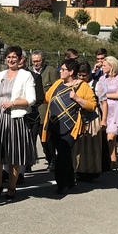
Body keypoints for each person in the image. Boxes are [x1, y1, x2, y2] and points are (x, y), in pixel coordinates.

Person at [0, 46, 38, 199]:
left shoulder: (26, 76)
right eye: (9, 57)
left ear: (20, 59)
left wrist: (13, 103)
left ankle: (12, 187)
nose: (11, 60)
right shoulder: (0, 74)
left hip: (15, 118)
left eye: (14, 57)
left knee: (15, 154)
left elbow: (31, 99)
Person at [43, 59, 97, 194]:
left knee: (62, 153)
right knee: (63, 154)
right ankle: (70, 179)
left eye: (63, 69)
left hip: (71, 127)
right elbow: (47, 97)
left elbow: (92, 105)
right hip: (55, 125)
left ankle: (61, 184)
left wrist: (77, 98)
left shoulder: (82, 86)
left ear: (71, 72)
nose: (60, 71)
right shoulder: (57, 84)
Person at [73, 61, 104, 180]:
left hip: (92, 116)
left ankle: (92, 171)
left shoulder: (97, 85)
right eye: (79, 75)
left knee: (92, 144)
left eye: (84, 76)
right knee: (79, 144)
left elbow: (103, 103)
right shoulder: (76, 84)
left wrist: (104, 120)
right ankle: (79, 169)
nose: (81, 78)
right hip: (79, 115)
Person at [29, 50, 58, 169]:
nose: (36, 64)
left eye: (38, 61)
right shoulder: (27, 73)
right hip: (31, 111)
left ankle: (52, 160)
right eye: (34, 61)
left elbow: (56, 91)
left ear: (43, 60)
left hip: (45, 111)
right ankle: (27, 163)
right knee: (29, 139)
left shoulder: (51, 72)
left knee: (46, 139)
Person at [96, 56, 118, 169]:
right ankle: (111, 159)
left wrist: (104, 95)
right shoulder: (102, 79)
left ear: (111, 66)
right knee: (105, 135)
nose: (102, 67)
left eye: (104, 65)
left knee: (111, 136)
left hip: (116, 109)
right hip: (104, 109)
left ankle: (112, 160)